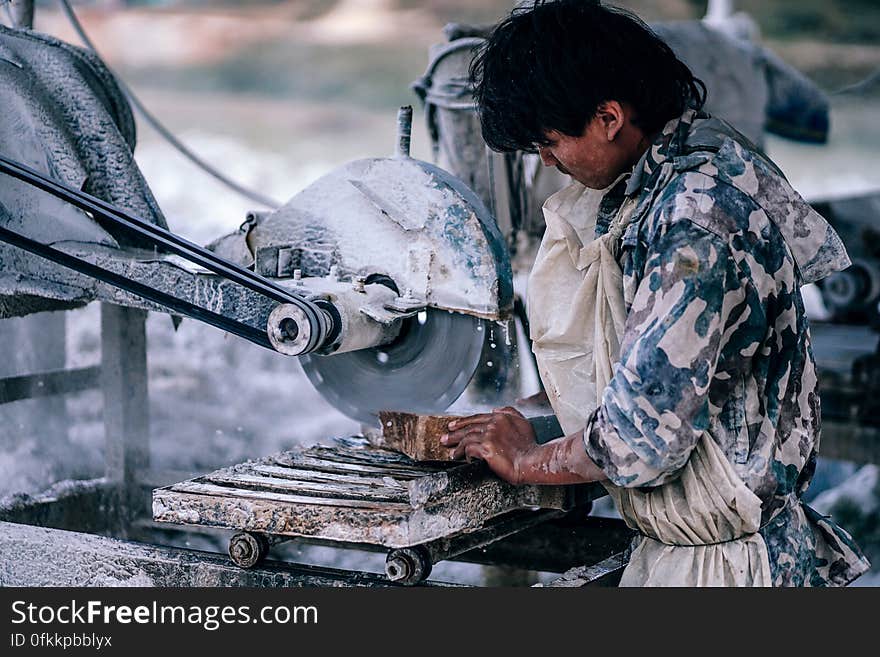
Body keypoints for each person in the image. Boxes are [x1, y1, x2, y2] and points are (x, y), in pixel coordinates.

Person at [440, 0, 869, 586]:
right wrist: (540, 416)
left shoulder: (695, 220)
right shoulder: (670, 176)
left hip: (732, 569)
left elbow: (640, 438)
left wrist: (525, 460)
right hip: (696, 547)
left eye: (549, 144)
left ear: (609, 118)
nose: (548, 162)